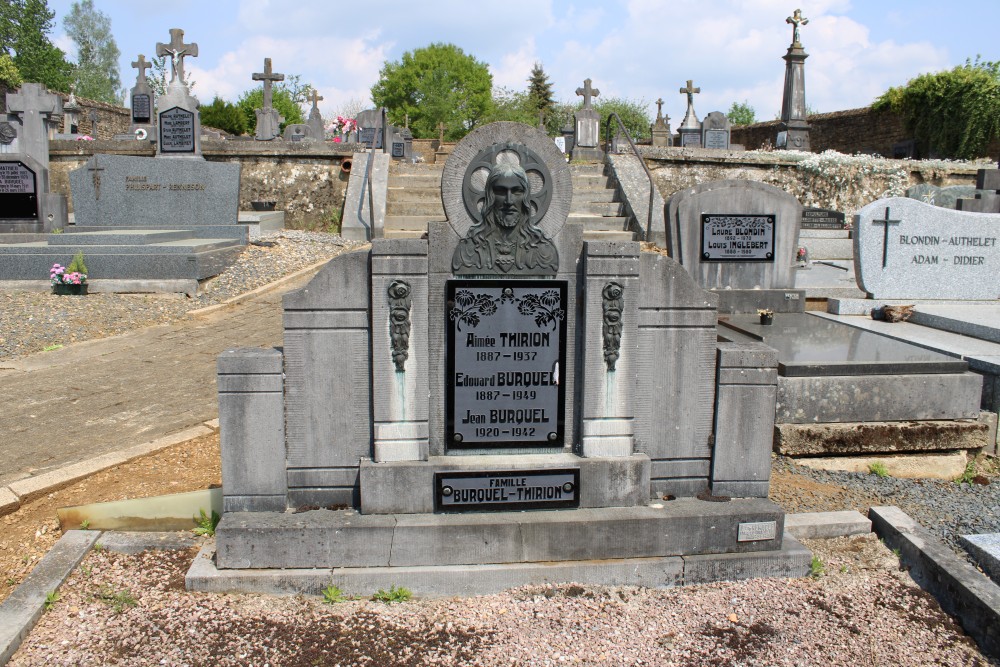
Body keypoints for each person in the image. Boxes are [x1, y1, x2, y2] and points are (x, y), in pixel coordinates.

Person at [452, 163, 559, 274]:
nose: (509, 201)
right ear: (490, 196)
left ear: (526, 197)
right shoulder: (468, 252)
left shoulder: (543, 253)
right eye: (501, 191)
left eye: (517, 191)